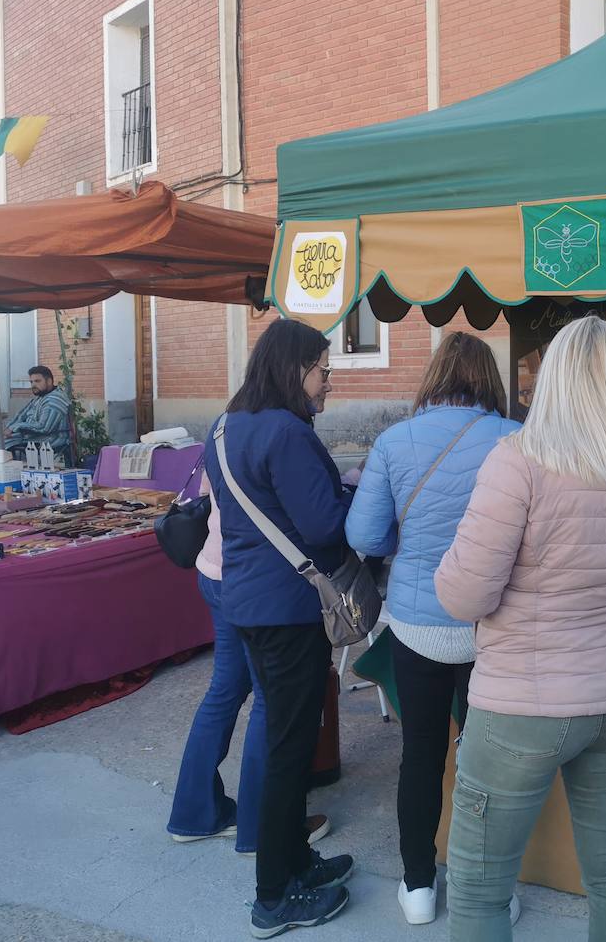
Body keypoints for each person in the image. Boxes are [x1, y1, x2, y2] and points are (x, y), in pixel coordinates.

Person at [435, 315, 606, 942]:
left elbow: (465, 594)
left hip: (522, 703)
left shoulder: (518, 461)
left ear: (554, 380)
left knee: (480, 891)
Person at [345, 332, 520, 927]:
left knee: (420, 755)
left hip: (418, 625)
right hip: (494, 624)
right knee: (490, 760)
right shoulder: (515, 439)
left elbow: (365, 537)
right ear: (487, 379)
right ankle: (492, 887)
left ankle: (418, 884)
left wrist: (411, 545)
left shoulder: (394, 441)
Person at [203, 318, 354, 938]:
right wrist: (358, 496)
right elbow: (322, 527)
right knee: (291, 748)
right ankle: (274, 897)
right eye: (323, 370)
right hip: (289, 610)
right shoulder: (287, 432)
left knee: (286, 738)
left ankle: (296, 862)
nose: (327, 383)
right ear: (295, 369)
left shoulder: (226, 424)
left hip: (248, 602)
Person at [166, 469, 331, 857]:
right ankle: (262, 827)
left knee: (226, 688)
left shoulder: (222, 429)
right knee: (268, 698)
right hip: (254, 578)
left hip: (216, 569)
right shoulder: (277, 432)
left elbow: (212, 492)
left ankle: (194, 814)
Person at [6, 365, 72, 458]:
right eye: (31, 382)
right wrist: (7, 429)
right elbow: (21, 415)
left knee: (1, 448)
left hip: (49, 439)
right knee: (0, 442)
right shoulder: (40, 398)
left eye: (37, 381)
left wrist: (15, 427)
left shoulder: (55, 399)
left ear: (49, 381)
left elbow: (44, 427)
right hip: (32, 437)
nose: (33, 385)